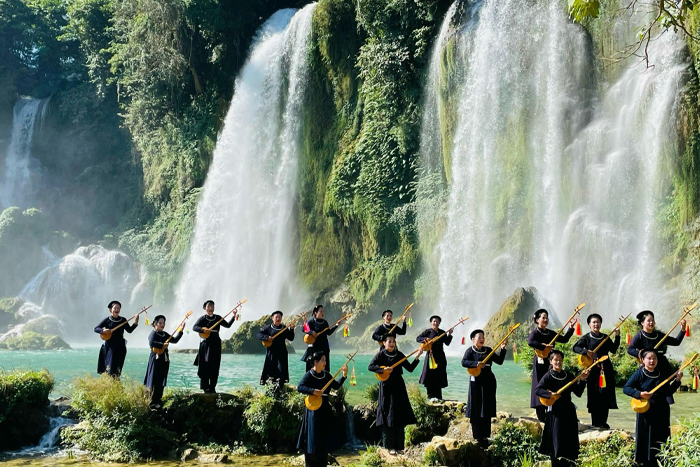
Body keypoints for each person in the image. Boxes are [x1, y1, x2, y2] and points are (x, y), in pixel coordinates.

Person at [623, 349, 682, 467]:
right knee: (646, 435)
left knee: (661, 435)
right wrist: (639, 394)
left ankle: (661, 460)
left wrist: (677, 381)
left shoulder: (662, 374)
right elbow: (626, 388)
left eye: (654, 358)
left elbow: (668, 391)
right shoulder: (639, 374)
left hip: (661, 409)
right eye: (649, 358)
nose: (652, 361)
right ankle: (644, 461)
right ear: (643, 360)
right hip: (645, 410)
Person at [368, 335, 423, 454]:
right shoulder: (381, 355)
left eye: (393, 341)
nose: (392, 344)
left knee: (399, 415)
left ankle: (399, 446)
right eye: (389, 341)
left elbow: (410, 368)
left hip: (399, 387)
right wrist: (383, 370)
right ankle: (389, 446)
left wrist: (418, 356)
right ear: (384, 343)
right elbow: (371, 366)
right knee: (388, 414)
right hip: (386, 388)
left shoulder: (399, 354)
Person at [535, 349, 588, 467]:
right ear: (550, 361)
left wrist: (583, 380)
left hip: (569, 411)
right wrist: (550, 395)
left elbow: (578, 393)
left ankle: (569, 463)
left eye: (560, 360)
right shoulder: (548, 376)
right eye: (555, 360)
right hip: (555, 413)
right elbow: (538, 390)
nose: (558, 362)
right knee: (556, 441)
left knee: (570, 440)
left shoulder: (568, 375)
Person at [297, 351, 348, 467]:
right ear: (315, 362)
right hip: (313, 411)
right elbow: (300, 387)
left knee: (324, 437)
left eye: (325, 360)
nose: (325, 362)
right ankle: (311, 461)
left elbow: (336, 385)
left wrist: (344, 375)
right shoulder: (309, 375)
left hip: (325, 409)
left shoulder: (326, 375)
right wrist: (314, 391)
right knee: (313, 436)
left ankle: (322, 461)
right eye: (323, 360)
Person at [527, 309, 576, 421]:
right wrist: (543, 347)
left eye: (546, 318)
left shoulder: (550, 333)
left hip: (551, 364)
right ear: (537, 320)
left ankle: (553, 409)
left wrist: (571, 328)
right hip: (540, 363)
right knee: (540, 385)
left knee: (552, 384)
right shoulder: (535, 332)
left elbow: (564, 339)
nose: (545, 320)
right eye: (543, 318)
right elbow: (530, 342)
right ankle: (541, 413)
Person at [572, 313, 619, 428]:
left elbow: (613, 350)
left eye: (598, 322)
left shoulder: (605, 337)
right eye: (593, 322)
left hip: (606, 369)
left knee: (605, 394)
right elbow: (575, 348)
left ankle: (604, 422)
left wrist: (617, 336)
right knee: (594, 395)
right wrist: (586, 352)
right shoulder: (586, 338)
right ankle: (595, 422)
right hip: (593, 370)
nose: (596, 324)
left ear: (600, 324)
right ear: (589, 324)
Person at [627, 310, 685, 404]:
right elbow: (630, 349)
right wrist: (641, 355)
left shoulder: (659, 335)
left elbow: (676, 342)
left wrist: (682, 330)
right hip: (648, 367)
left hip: (662, 366)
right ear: (642, 323)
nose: (651, 323)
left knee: (664, 391)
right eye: (648, 320)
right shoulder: (639, 336)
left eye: (653, 320)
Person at [461, 329, 507, 445]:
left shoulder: (489, 350)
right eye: (479, 337)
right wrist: (476, 364)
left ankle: (486, 435)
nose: (482, 339)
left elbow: (500, 361)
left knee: (486, 407)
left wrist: (503, 348)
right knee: (476, 407)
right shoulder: (470, 351)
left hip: (488, 381)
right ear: (473, 339)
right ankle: (477, 435)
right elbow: (464, 362)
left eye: (483, 337)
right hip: (476, 381)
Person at [192, 300, 235, 393]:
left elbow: (227, 325)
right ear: (205, 308)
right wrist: (203, 330)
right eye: (209, 306)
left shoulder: (218, 318)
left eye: (212, 306)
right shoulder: (202, 318)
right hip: (205, 344)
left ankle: (212, 387)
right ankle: (205, 387)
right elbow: (194, 327)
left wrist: (233, 316)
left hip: (215, 343)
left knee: (215, 365)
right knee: (205, 364)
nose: (211, 308)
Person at [144, 315, 182, 409]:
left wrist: (181, 331)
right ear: (155, 324)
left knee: (161, 379)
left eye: (163, 323)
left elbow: (175, 340)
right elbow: (151, 343)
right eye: (160, 323)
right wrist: (162, 344)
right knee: (153, 379)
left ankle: (158, 400)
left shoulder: (164, 334)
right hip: (155, 359)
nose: (162, 324)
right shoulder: (153, 334)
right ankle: (151, 401)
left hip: (164, 359)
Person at [95, 300, 139, 377]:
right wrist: (103, 330)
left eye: (118, 308)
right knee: (110, 368)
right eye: (115, 308)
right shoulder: (107, 320)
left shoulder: (123, 320)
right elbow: (96, 328)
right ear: (110, 310)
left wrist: (136, 322)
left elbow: (129, 330)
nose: (117, 310)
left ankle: (116, 384)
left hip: (120, 347)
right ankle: (108, 384)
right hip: (110, 347)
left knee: (118, 368)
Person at [416, 315, 453, 402]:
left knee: (439, 375)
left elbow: (447, 343)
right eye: (434, 321)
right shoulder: (428, 332)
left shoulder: (442, 332)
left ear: (439, 323)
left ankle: (438, 396)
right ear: (431, 322)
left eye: (437, 321)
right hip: (430, 356)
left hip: (440, 357)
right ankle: (430, 396)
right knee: (429, 375)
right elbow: (418, 338)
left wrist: (449, 335)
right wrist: (426, 339)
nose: (435, 323)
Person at [258, 310, 295, 386]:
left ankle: (280, 389)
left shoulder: (284, 328)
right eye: (276, 317)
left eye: (280, 317)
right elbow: (259, 334)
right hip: (271, 353)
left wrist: (291, 329)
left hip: (282, 353)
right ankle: (270, 389)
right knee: (270, 370)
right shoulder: (268, 328)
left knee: (281, 371)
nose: (278, 318)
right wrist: (266, 337)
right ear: (272, 318)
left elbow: (291, 338)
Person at [301, 305, 338, 372]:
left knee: (324, 365)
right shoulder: (312, 321)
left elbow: (328, 333)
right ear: (316, 312)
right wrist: (311, 332)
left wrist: (336, 325)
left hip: (324, 347)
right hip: (314, 347)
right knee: (313, 365)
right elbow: (304, 329)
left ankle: (324, 380)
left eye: (323, 311)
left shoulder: (325, 322)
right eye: (321, 311)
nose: (322, 313)